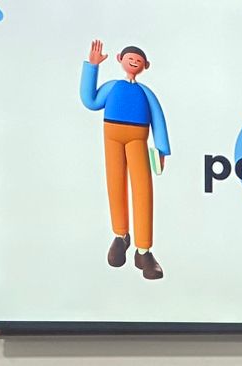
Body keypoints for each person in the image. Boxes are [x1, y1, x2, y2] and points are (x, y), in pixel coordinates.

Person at [81, 40, 170, 279]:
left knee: (142, 189)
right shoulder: (112, 87)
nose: (133, 62)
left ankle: (144, 250)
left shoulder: (145, 93)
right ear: (120, 58)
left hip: (137, 139)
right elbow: (90, 101)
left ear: (145, 65)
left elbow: (158, 119)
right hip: (112, 138)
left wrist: (161, 149)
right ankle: (120, 236)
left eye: (138, 60)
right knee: (115, 184)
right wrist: (92, 67)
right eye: (130, 58)